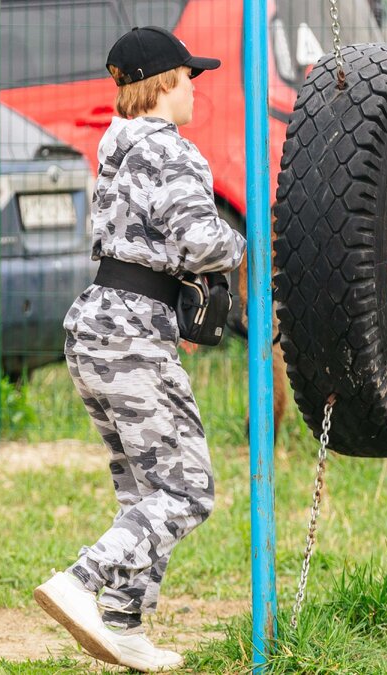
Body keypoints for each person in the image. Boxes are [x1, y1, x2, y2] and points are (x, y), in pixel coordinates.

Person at [33, 26, 245, 673]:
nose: (194, 90)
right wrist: (242, 246)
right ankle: (80, 579)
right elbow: (201, 242)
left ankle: (123, 625)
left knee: (142, 491)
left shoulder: (115, 145)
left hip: (93, 323)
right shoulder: (172, 150)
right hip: (133, 332)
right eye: (189, 78)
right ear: (165, 83)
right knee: (189, 489)